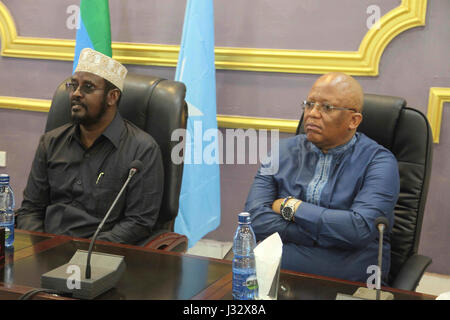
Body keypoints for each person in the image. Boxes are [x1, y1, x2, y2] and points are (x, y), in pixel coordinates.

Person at [244, 72, 400, 284]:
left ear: (353, 120)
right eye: (309, 104)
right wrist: (326, 235)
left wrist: (291, 207)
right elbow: (254, 218)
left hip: (350, 269)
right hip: (312, 257)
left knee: (252, 262)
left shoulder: (379, 162)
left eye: (326, 108)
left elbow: (358, 229)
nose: (312, 114)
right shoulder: (281, 152)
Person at [16, 48, 164, 245]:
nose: (76, 94)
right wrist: (40, 246)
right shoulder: (51, 142)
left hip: (99, 256)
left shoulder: (142, 150)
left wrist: (87, 252)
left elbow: (138, 222)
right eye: (73, 85)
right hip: (45, 249)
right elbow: (31, 209)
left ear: (112, 97)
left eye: (87, 87)